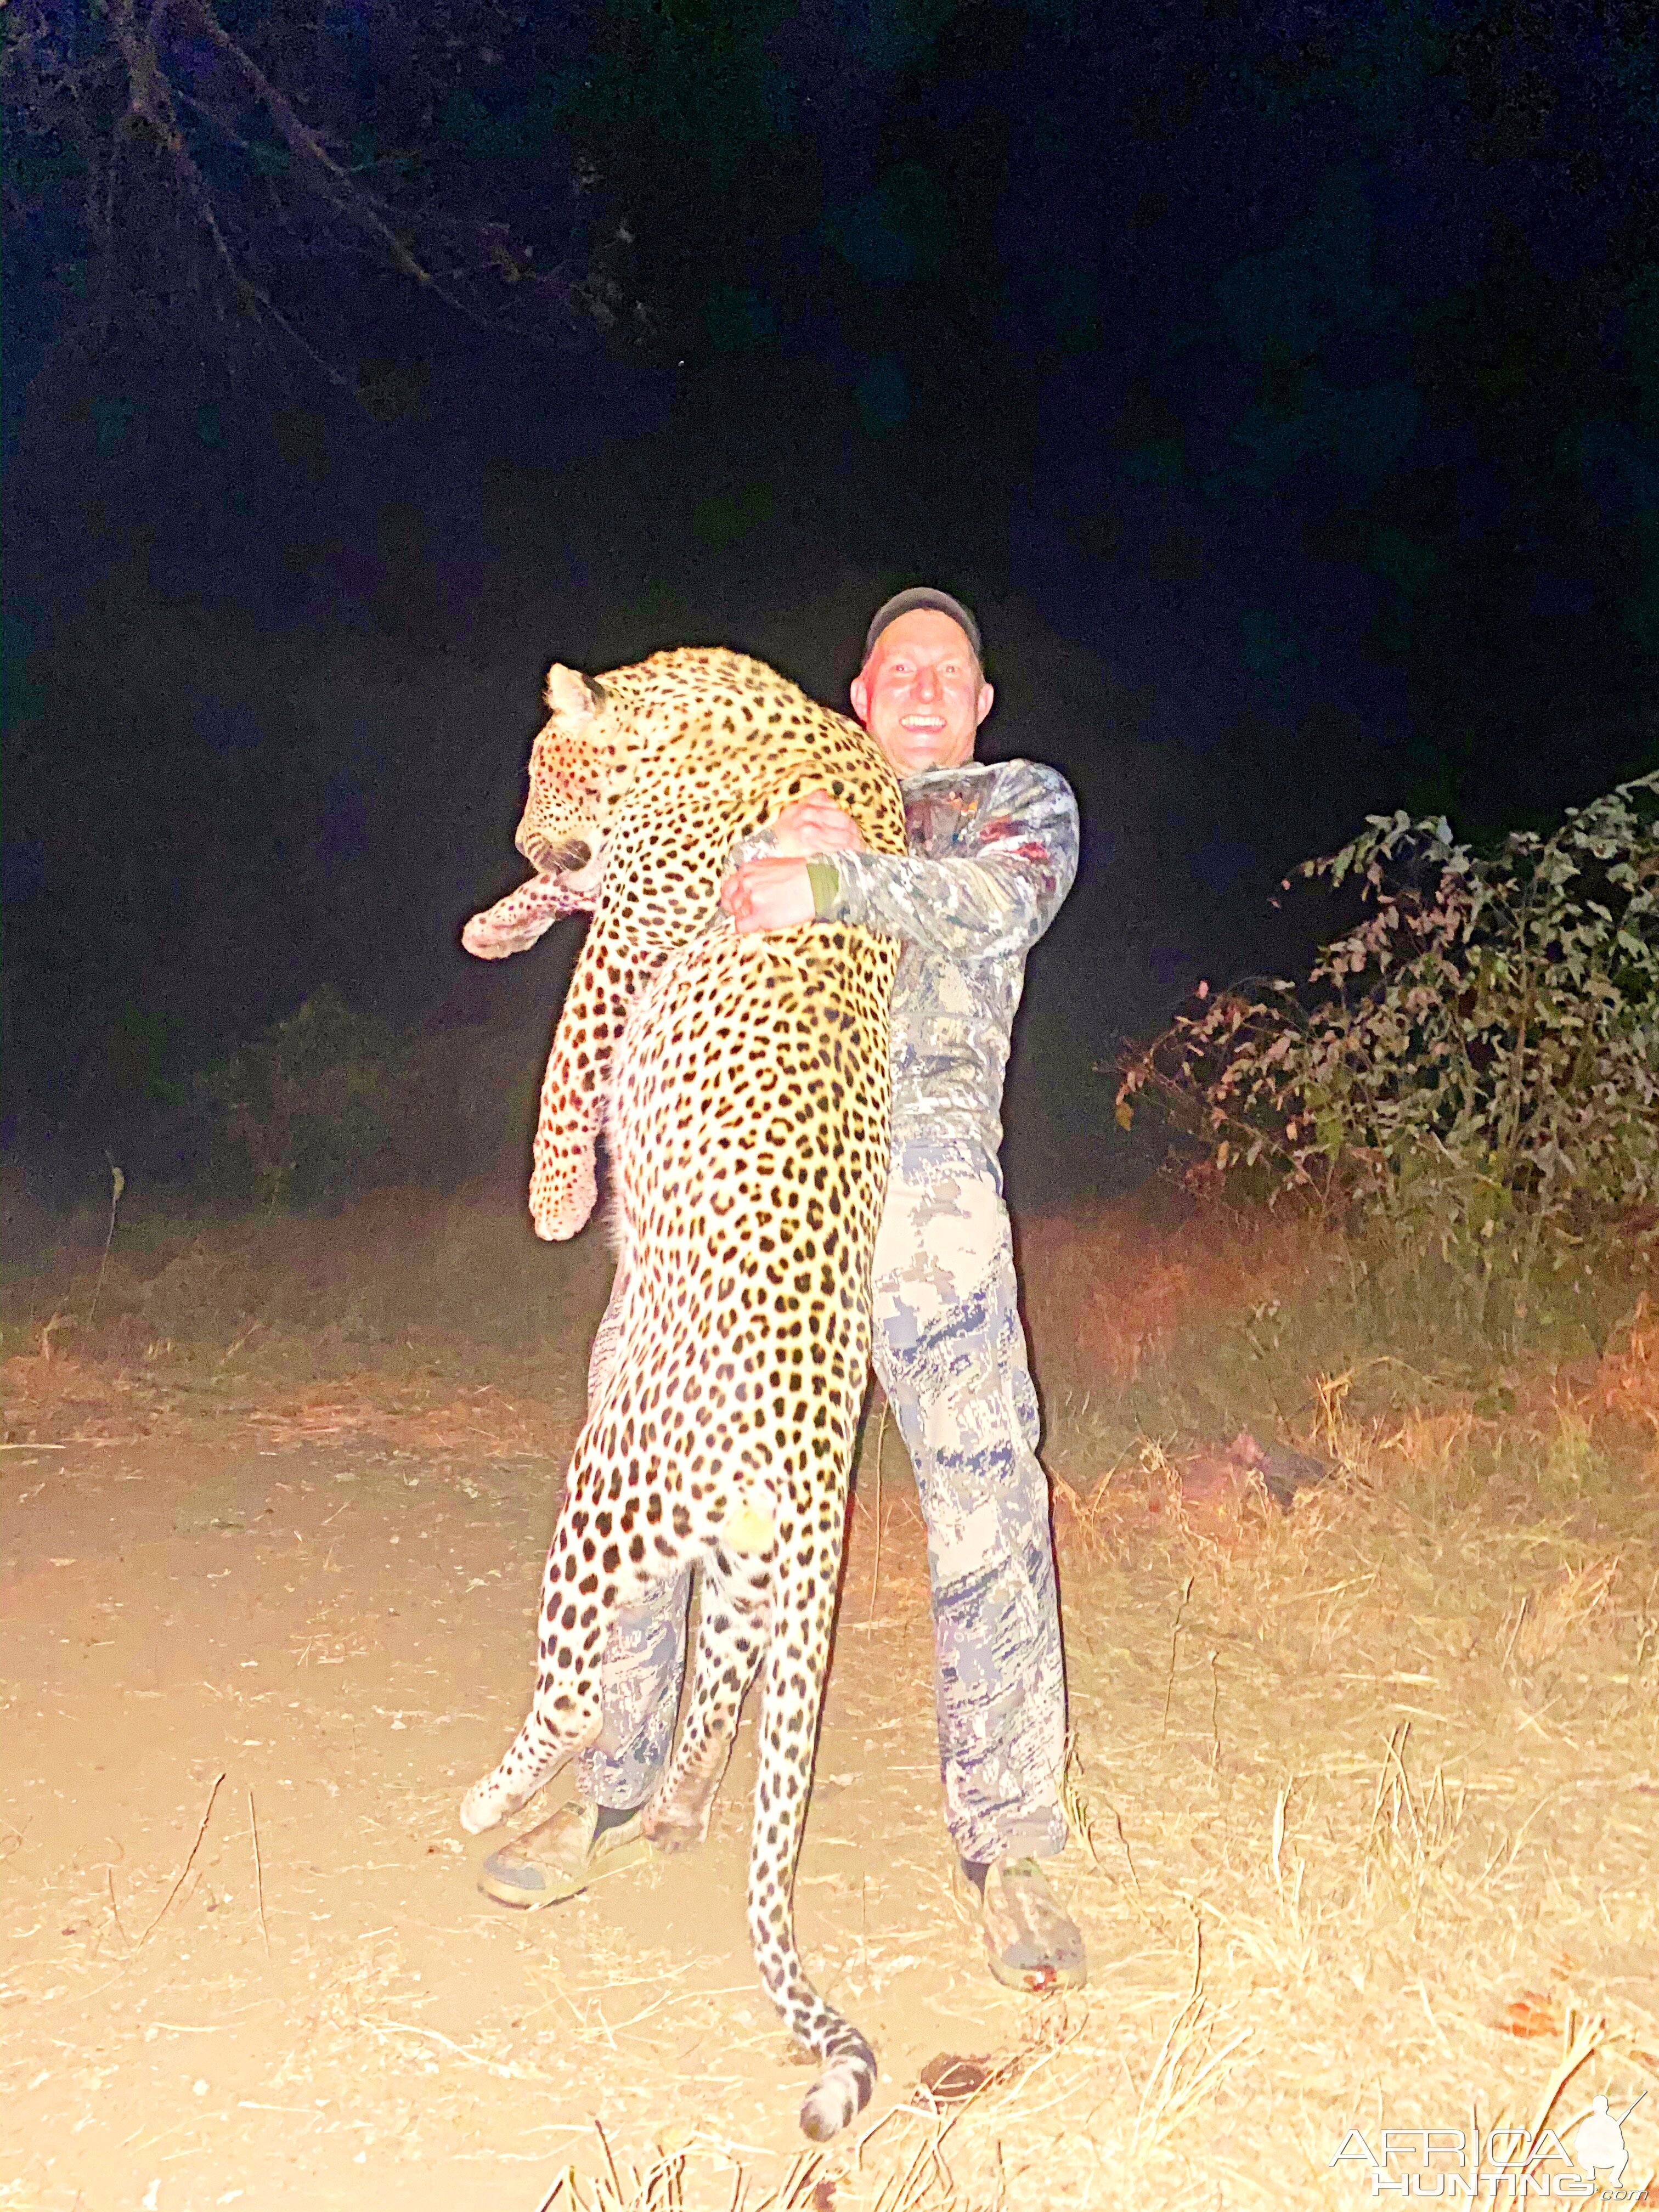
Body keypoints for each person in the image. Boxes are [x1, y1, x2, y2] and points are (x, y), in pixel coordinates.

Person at [479, 588, 1085, 1991]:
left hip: (922, 1186)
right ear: (858, 693)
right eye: (900, 669)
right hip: (745, 1178)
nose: (927, 687)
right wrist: (557, 890)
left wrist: (845, 878)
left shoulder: (1014, 799)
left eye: (953, 670)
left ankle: (1010, 1844)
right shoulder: (784, 776)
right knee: (643, 1464)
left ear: (981, 703)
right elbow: (657, 884)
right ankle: (617, 1785)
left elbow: (1005, 907)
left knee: (985, 1488)